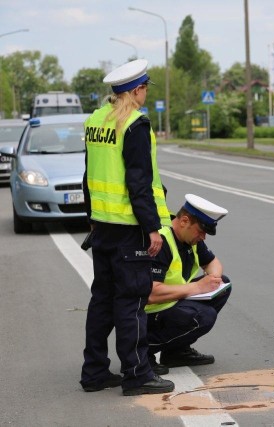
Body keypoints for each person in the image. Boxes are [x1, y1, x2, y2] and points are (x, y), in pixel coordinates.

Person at [80, 59, 175, 396]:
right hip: (127, 229)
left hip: (103, 226)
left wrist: (91, 214)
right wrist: (152, 229)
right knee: (132, 301)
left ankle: (94, 373)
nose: (146, 93)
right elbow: (139, 183)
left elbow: (89, 172)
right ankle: (137, 375)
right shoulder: (135, 123)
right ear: (136, 90)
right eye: (145, 88)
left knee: (101, 299)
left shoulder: (95, 119)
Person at [145, 194, 231, 375]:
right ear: (184, 221)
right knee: (203, 316)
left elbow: (213, 263)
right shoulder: (161, 242)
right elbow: (150, 294)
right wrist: (198, 288)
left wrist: (213, 279)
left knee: (223, 284)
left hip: (171, 303)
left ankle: (176, 352)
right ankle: (143, 351)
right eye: (201, 231)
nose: (203, 237)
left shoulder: (189, 238)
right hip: (148, 314)